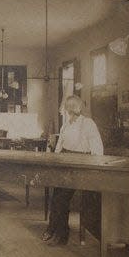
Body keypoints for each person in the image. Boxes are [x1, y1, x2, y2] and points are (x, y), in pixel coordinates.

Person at [42, 95, 103, 246]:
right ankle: (53, 228)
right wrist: (54, 160)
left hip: (80, 166)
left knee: (62, 198)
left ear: (71, 108)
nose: (62, 110)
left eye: (64, 107)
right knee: (57, 195)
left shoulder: (87, 123)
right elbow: (59, 146)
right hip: (65, 162)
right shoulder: (66, 125)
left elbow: (97, 148)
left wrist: (93, 168)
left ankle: (61, 235)